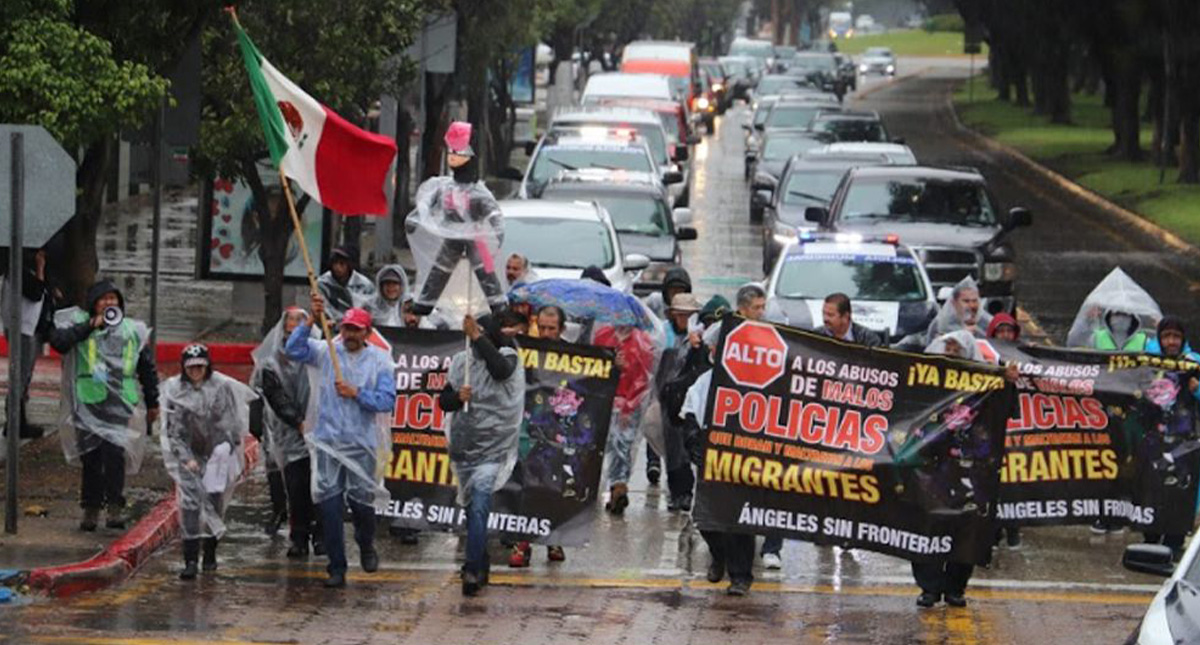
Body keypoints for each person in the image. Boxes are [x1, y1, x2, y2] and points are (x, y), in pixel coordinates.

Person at [286, 299, 396, 588]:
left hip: (361, 445)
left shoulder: (380, 361)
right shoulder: (326, 352)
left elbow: (386, 400)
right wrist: (311, 320)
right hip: (328, 443)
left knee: (361, 504)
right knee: (330, 507)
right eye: (347, 328)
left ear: (367, 332)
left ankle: (366, 543)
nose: (350, 335)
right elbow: (293, 349)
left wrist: (357, 393)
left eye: (356, 330)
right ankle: (336, 566)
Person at [50, 280, 159, 531]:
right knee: (91, 458)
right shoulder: (81, 324)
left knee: (114, 455)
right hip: (88, 400)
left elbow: (146, 366)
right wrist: (90, 325)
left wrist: (153, 400)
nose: (109, 303)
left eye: (113, 299)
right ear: (94, 303)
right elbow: (59, 342)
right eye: (104, 299)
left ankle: (114, 507)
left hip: (119, 401)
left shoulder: (131, 329)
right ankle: (91, 508)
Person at [438, 313, 525, 596]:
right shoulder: (461, 362)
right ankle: (480, 559)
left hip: (494, 447)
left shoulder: (509, 357)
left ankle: (472, 568)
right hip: (464, 446)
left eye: (484, 334)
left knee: (479, 504)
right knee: (470, 508)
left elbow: (500, 370)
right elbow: (444, 401)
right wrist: (456, 398)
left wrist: (478, 336)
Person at [692, 284, 767, 595]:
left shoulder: (769, 336)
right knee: (706, 517)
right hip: (714, 445)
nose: (762, 313)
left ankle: (740, 576)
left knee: (741, 515)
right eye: (757, 308)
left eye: (763, 307)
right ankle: (719, 555)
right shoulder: (724, 334)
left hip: (746, 442)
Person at [160, 344, 255, 579]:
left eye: (200, 367)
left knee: (214, 501)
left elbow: (231, 423)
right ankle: (190, 560)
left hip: (217, 455)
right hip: (189, 456)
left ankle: (210, 553)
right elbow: (173, 431)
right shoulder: (175, 391)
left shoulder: (221, 387)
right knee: (190, 506)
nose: (195, 371)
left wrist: (224, 450)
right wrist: (186, 458)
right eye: (191, 367)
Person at [407, 122, 506, 316]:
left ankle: (497, 302)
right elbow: (425, 204)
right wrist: (416, 220)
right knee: (439, 268)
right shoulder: (444, 186)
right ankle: (426, 302)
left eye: (459, 154)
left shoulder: (479, 191)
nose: (453, 157)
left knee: (485, 268)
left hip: (476, 235)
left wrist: (496, 232)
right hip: (451, 234)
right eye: (451, 153)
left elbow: (493, 213)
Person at [252, 307, 324, 557]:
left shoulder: (319, 355)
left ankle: (321, 535)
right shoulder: (272, 362)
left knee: (322, 486)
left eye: (299, 321)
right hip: (289, 433)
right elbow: (275, 396)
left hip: (321, 430)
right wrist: (298, 422)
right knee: (296, 487)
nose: (293, 325)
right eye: (290, 321)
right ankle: (299, 537)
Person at [509, 305, 570, 568]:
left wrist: (615, 366)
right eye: (542, 327)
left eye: (551, 329)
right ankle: (522, 543)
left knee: (553, 485)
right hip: (528, 427)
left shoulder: (575, 355)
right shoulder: (526, 349)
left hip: (558, 430)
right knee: (527, 484)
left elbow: (596, 379)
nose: (545, 333)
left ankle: (552, 539)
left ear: (561, 329)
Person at [1140, 316, 1200, 557]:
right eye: (1167, 336)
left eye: (1176, 336)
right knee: (1153, 489)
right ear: (1159, 339)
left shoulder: (1194, 363)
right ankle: (1150, 539)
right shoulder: (1147, 363)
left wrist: (1197, 389)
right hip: (1154, 437)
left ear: (1183, 339)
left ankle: (1174, 543)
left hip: (1185, 441)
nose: (1172, 341)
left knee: (1181, 490)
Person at [594, 322, 656, 515]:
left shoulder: (643, 342)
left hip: (628, 403)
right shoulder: (602, 335)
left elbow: (643, 379)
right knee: (602, 446)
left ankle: (618, 487)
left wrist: (628, 407)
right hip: (603, 399)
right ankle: (601, 487)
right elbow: (591, 366)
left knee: (622, 447)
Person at [644, 268, 694, 485]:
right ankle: (653, 460)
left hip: (683, 389)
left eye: (680, 290)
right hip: (661, 385)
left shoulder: (695, 331)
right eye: (672, 290)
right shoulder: (661, 329)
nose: (676, 294)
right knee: (654, 422)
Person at [657, 293, 704, 512]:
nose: (685, 319)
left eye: (689, 315)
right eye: (681, 315)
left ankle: (686, 493)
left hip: (690, 398)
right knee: (672, 448)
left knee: (686, 447)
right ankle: (676, 492)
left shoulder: (701, 337)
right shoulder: (663, 334)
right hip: (669, 399)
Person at [2, 249, 48, 438]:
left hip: (22, 326)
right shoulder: (19, 270)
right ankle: (14, 423)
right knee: (20, 376)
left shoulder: (14, 268)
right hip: (22, 328)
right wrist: (40, 267)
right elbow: (36, 292)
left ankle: (17, 421)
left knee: (23, 376)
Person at [987, 312, 1023, 549]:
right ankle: (992, 532)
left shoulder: (1025, 356)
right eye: (1000, 331)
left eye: (1009, 331)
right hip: (992, 427)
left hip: (1017, 429)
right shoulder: (985, 356)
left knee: (1013, 481)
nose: (1005, 335)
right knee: (991, 482)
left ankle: (1013, 530)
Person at [316, 245, 376, 323]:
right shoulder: (322, 282)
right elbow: (324, 307)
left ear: (349, 265)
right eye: (335, 263)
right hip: (330, 323)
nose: (337, 267)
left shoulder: (365, 284)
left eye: (342, 264)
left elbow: (371, 308)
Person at [926, 277, 992, 343]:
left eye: (974, 301)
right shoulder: (940, 324)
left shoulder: (986, 322)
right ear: (954, 303)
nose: (972, 305)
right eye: (966, 301)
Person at [816, 292, 884, 347]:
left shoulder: (868, 340)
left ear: (845, 317)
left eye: (830, 315)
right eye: (824, 313)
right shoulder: (816, 336)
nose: (825, 318)